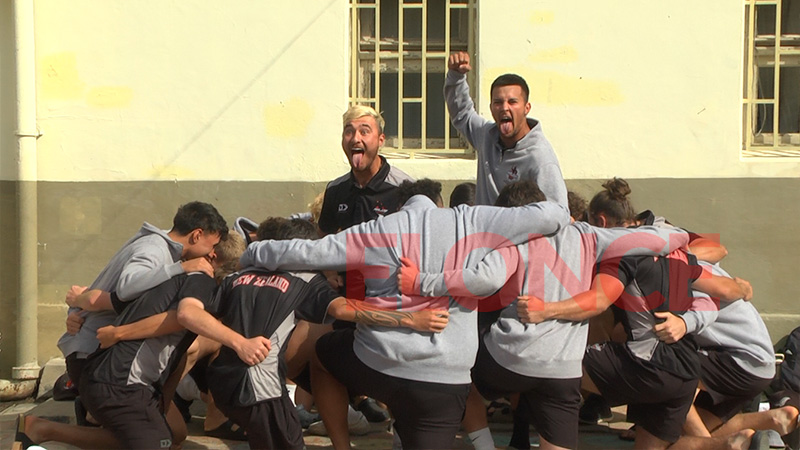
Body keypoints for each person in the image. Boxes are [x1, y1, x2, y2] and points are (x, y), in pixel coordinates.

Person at [238, 179, 571, 448]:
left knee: (323, 355)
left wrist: (254, 251)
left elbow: (309, 252)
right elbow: (555, 214)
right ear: (439, 202)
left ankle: (342, 446)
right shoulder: (473, 220)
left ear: (400, 206)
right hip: (446, 379)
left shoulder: (379, 228)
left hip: (378, 364)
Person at [397, 180, 694, 450]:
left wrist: (420, 281)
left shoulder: (514, 240)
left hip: (510, 357)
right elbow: (653, 239)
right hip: (563, 368)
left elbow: (481, 280)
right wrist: (680, 235)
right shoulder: (587, 235)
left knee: (459, 372)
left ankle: (484, 446)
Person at [207, 217, 448, 450]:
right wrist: (412, 319)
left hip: (219, 383)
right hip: (259, 388)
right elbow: (343, 309)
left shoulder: (236, 277)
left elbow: (203, 315)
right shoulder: (304, 278)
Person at [15, 234, 248, 450]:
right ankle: (81, 417)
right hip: (110, 371)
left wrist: (161, 405)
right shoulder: (167, 261)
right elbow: (112, 298)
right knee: (158, 441)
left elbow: (178, 348)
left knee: (173, 434)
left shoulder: (185, 274)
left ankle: (83, 417)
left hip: (125, 374)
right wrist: (85, 312)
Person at [58, 201, 227, 424]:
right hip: (96, 357)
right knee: (151, 434)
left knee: (174, 432)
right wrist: (180, 268)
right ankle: (75, 422)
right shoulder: (155, 249)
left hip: (105, 356)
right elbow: (127, 287)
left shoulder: (160, 248)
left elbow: (99, 292)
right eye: (212, 245)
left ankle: (94, 414)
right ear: (196, 235)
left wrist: (77, 306)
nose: (211, 253)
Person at [444, 51, 567, 207]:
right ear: (491, 107)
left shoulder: (540, 157)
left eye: (512, 102)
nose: (504, 108)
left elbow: (557, 210)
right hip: (484, 223)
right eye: (498, 102)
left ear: (527, 108)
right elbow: (462, 114)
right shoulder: (486, 136)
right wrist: (456, 77)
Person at [318, 105, 414, 235]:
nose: (355, 139)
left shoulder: (405, 190)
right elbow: (324, 240)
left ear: (380, 140)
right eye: (349, 132)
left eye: (364, 132)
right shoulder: (335, 190)